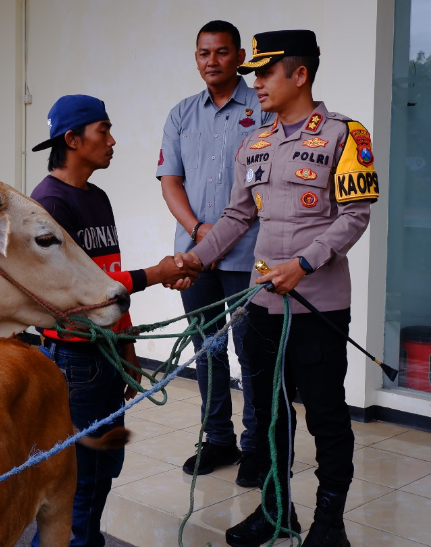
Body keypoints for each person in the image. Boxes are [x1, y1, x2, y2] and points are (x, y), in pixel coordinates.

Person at [175, 30, 378, 547]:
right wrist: (194, 260)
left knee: (326, 416)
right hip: (263, 304)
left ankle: (329, 526)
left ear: (300, 74)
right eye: (256, 74)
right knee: (268, 413)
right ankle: (276, 510)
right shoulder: (256, 142)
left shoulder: (344, 135)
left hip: (318, 305)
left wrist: (304, 264)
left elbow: (356, 214)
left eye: (265, 72)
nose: (256, 82)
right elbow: (237, 216)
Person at [28, 94, 196, 547]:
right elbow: (77, 294)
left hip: (106, 357)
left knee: (104, 471)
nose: (112, 140)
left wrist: (128, 349)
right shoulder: (48, 206)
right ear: (72, 139)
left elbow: (108, 287)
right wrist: (157, 275)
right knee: (79, 481)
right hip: (75, 361)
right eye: (103, 131)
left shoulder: (97, 198)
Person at [156, 20, 272, 485]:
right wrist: (199, 231)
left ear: (239, 56)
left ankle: (257, 447)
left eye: (221, 52)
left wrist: (218, 235)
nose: (211, 61)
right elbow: (171, 182)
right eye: (204, 53)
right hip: (194, 255)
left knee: (251, 350)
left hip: (249, 253)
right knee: (207, 349)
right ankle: (217, 439)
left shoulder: (263, 109)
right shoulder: (181, 114)